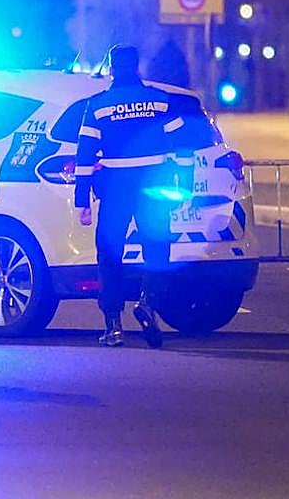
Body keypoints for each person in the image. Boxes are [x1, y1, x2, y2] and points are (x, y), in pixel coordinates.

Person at [74, 44, 190, 348]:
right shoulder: (161, 101)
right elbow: (184, 145)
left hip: (116, 187)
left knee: (110, 252)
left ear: (112, 68)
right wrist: (185, 184)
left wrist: (81, 201)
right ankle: (148, 303)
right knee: (157, 247)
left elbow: (84, 156)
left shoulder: (98, 105)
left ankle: (113, 325)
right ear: (138, 67)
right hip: (155, 185)